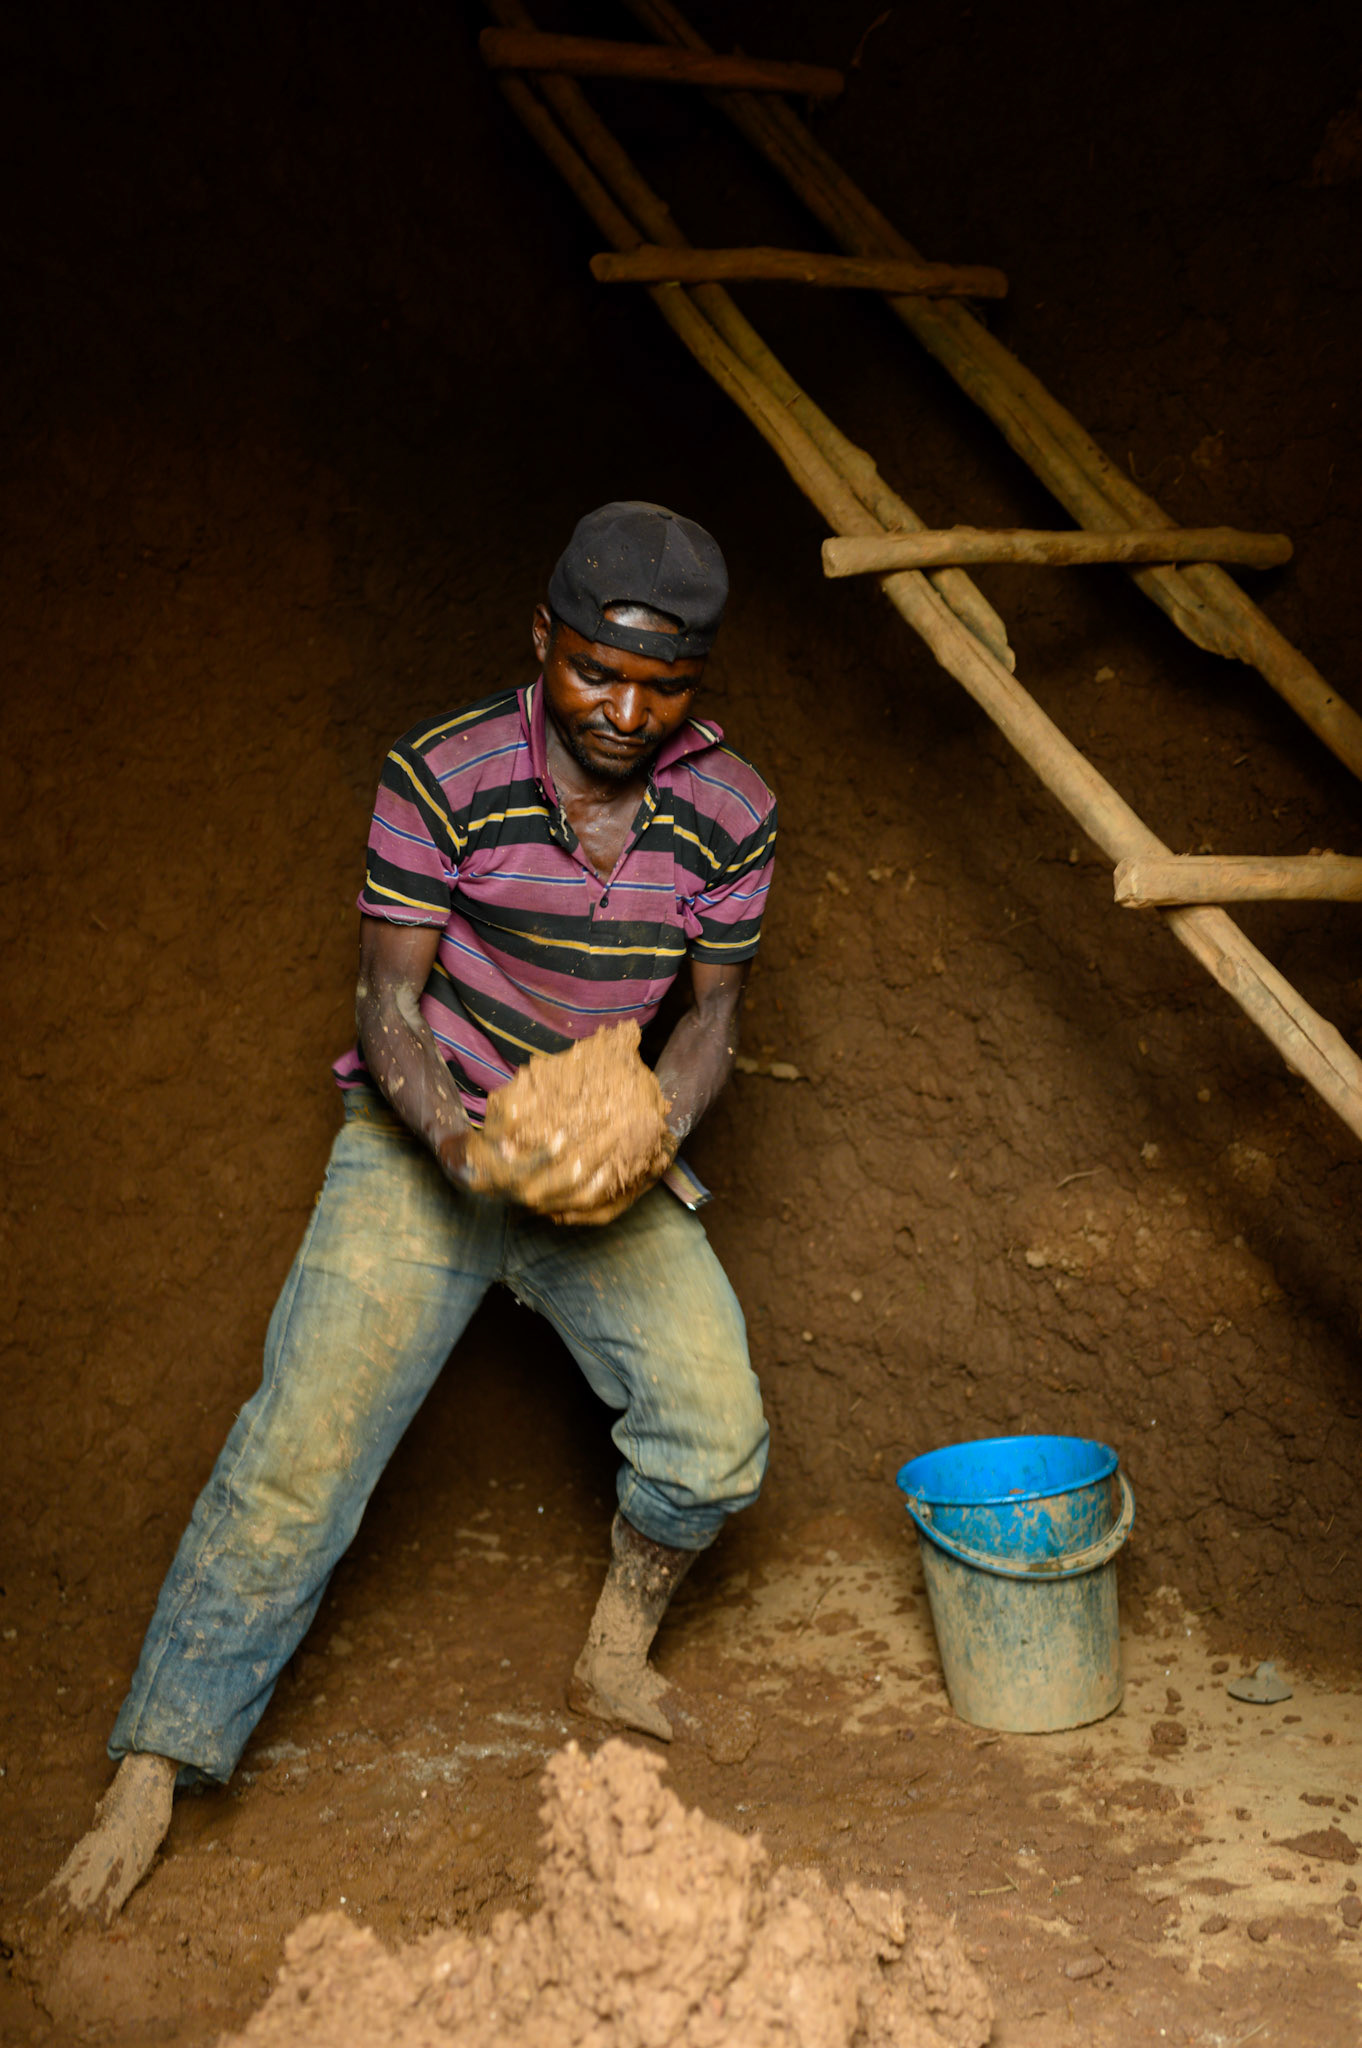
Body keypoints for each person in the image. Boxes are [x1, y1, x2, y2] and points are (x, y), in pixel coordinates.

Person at [38, 501, 778, 1926]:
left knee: (718, 1434)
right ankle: (155, 1763)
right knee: (297, 1453)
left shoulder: (731, 808)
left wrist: (642, 1136)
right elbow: (389, 998)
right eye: (595, 673)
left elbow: (713, 1017)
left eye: (665, 686)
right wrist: (462, 1147)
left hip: (595, 1160)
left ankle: (613, 1653)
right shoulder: (442, 771)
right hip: (426, 1143)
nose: (626, 713)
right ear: (542, 638)